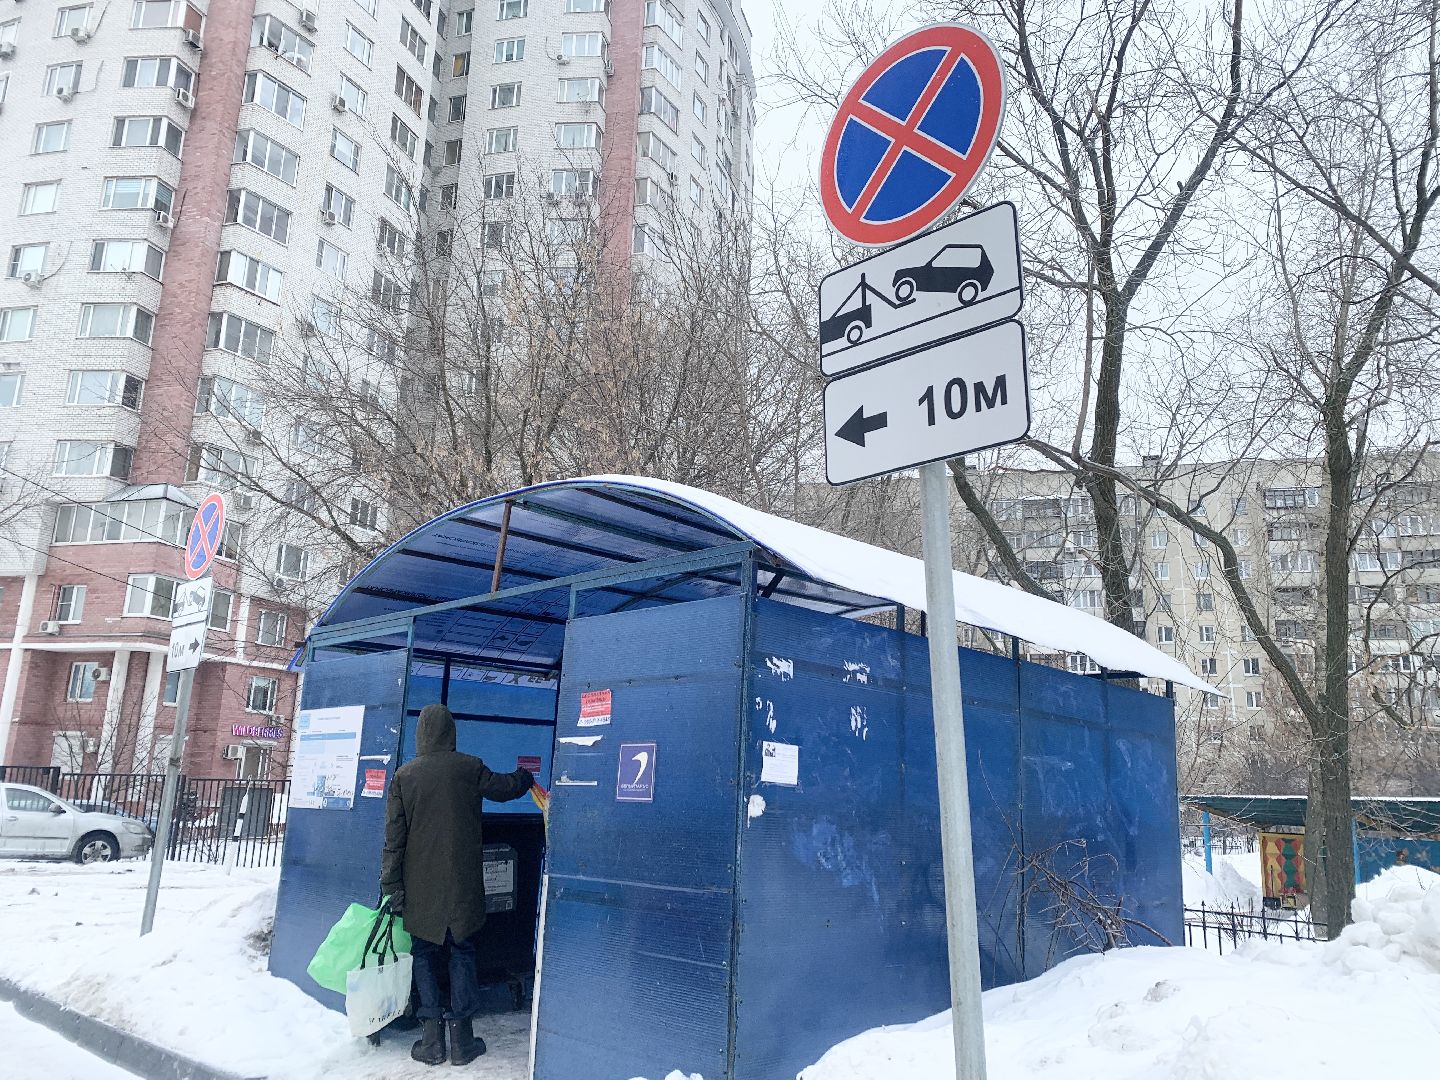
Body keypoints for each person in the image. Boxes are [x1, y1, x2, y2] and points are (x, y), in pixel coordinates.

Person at [380, 702, 535, 1066]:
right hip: (462, 883)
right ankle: (463, 1039)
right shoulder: (469, 767)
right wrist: (525, 777)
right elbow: (503, 788)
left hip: (420, 886)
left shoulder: (404, 776)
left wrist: (391, 886)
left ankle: (431, 1039)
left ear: (421, 734)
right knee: (462, 952)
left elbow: (394, 839)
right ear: (451, 733)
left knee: (424, 953)